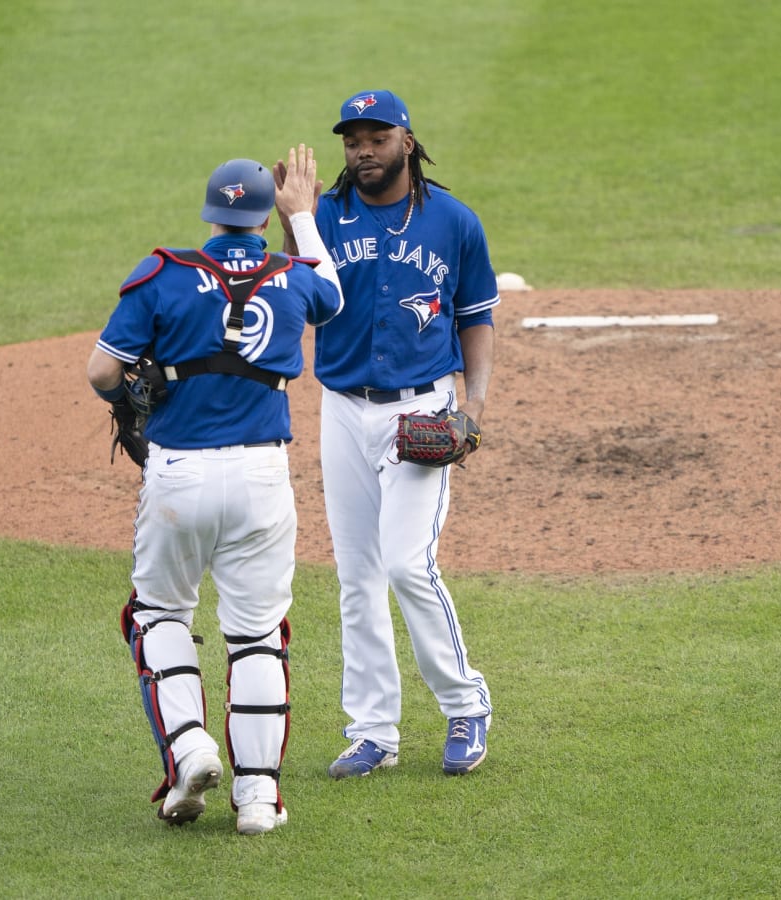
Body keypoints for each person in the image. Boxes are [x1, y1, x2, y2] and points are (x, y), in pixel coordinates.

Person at [86, 148, 343, 834]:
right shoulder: (292, 276)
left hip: (178, 476)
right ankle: (258, 798)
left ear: (209, 211)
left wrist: (132, 394)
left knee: (158, 615)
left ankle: (189, 746)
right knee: (256, 636)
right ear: (265, 215)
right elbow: (335, 297)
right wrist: (306, 216)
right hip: (262, 477)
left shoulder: (163, 275)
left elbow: (101, 370)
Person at [275, 90, 498, 778]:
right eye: (352, 141)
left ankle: (466, 702)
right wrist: (294, 219)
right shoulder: (329, 215)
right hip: (341, 407)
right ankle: (373, 730)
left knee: (407, 563)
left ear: (407, 141)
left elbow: (476, 315)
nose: (363, 151)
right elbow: (294, 284)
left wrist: (475, 405)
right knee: (357, 575)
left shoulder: (453, 221)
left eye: (376, 138)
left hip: (420, 411)